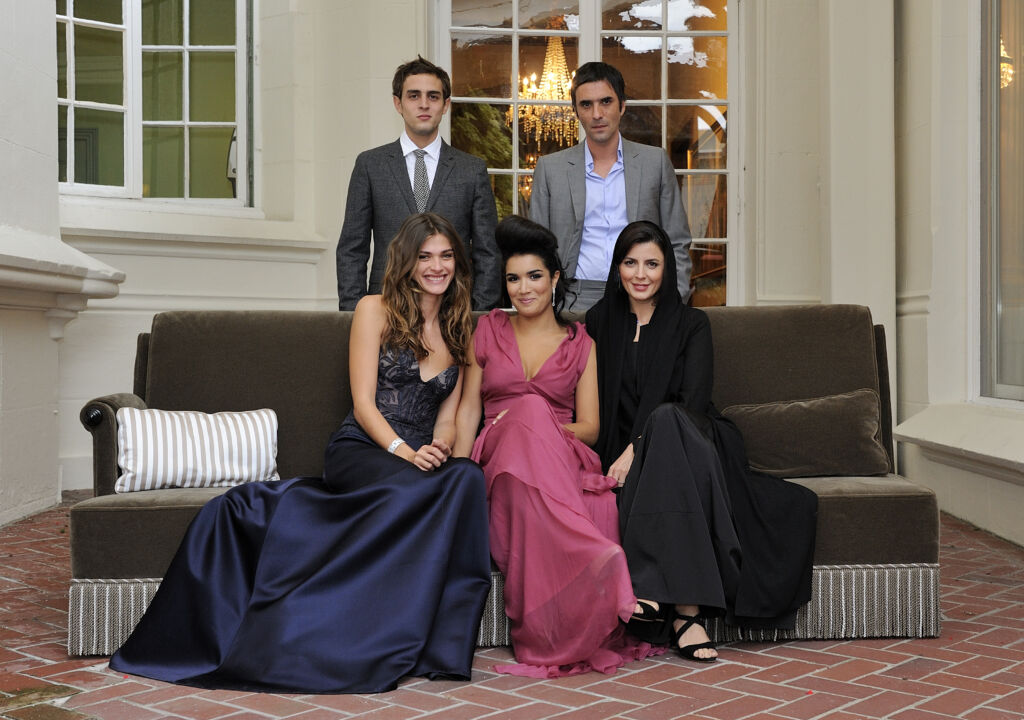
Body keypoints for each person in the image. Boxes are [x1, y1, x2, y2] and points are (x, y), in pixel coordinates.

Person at [110, 213, 492, 694]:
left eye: (446, 256)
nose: (436, 266)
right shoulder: (375, 309)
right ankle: (343, 631)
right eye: (425, 256)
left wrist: (437, 447)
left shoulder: (461, 325)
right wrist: (403, 451)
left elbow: (448, 414)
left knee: (465, 479)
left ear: (457, 262)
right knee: (422, 488)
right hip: (365, 447)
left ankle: (441, 646)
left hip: (416, 453)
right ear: (408, 262)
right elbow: (363, 402)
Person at [585, 221, 817, 662]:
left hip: (695, 441)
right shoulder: (599, 322)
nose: (640, 273)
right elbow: (594, 404)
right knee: (663, 460)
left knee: (668, 420)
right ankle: (686, 615)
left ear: (667, 269)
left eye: (651, 264)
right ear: (617, 268)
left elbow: (691, 404)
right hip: (635, 458)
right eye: (630, 262)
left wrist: (636, 449)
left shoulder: (692, 324)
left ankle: (654, 590)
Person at [453, 215, 656, 678]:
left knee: (528, 411)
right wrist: (459, 475)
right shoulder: (486, 330)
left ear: (555, 278)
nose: (523, 289)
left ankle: (566, 606)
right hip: (498, 454)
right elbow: (468, 409)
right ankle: (592, 555)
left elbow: (589, 427)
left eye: (534, 276)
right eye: (513, 279)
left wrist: (539, 423)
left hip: (561, 454)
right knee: (523, 413)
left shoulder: (581, 343)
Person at [337, 56, 500, 311]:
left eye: (433, 96)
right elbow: (351, 249)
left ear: (445, 105)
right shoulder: (370, 165)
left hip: (452, 311)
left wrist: (478, 314)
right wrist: (353, 314)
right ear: (397, 103)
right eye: (414, 96)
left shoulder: (472, 170)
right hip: (386, 307)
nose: (424, 104)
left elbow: (488, 252)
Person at [529, 61, 692, 311]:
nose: (597, 114)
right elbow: (536, 250)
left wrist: (674, 302)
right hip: (574, 298)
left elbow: (676, 240)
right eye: (586, 104)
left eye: (606, 101)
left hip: (642, 295)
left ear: (622, 105)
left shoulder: (654, 162)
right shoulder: (550, 169)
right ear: (575, 111)